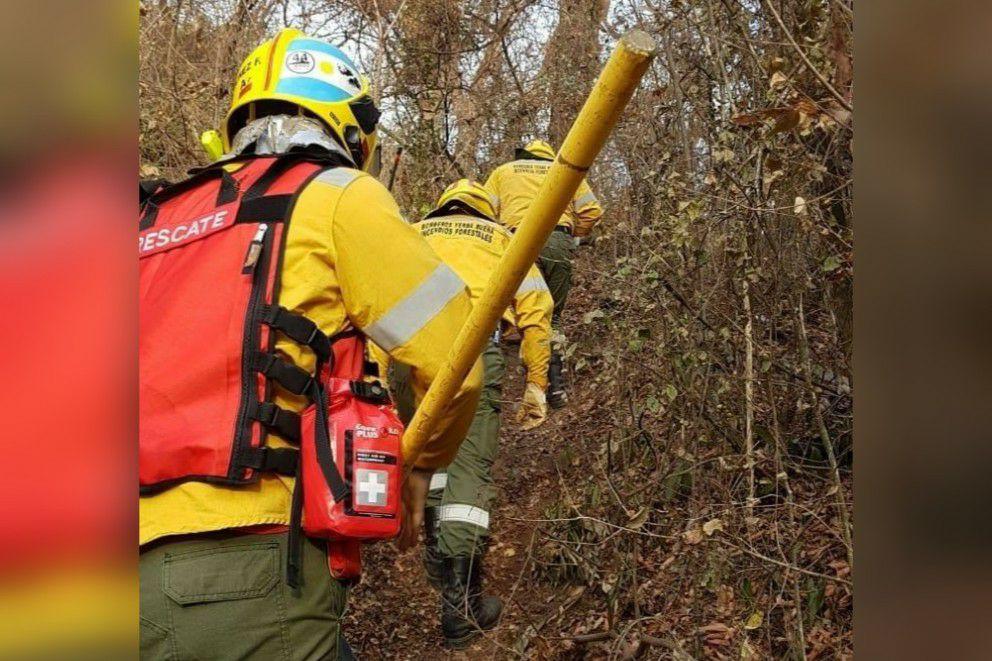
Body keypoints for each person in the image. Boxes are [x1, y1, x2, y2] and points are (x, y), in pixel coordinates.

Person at [138, 29, 482, 660]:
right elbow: (456, 360)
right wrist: (420, 464)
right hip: (247, 570)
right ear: (350, 128)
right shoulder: (335, 195)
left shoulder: (148, 222)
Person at [388, 179, 554, 648]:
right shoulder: (506, 239)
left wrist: (379, 377)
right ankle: (461, 606)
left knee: (429, 463)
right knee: (467, 471)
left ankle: (442, 567)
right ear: (489, 211)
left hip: (408, 355)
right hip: (474, 353)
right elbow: (537, 311)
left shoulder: (410, 232)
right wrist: (537, 383)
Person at [483, 139, 604, 408]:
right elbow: (592, 211)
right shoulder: (566, 170)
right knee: (552, 319)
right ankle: (555, 389)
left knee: (517, 314)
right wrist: (574, 236)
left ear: (524, 155)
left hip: (517, 242)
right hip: (557, 242)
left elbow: (483, 210)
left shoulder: (504, 171)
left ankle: (500, 389)